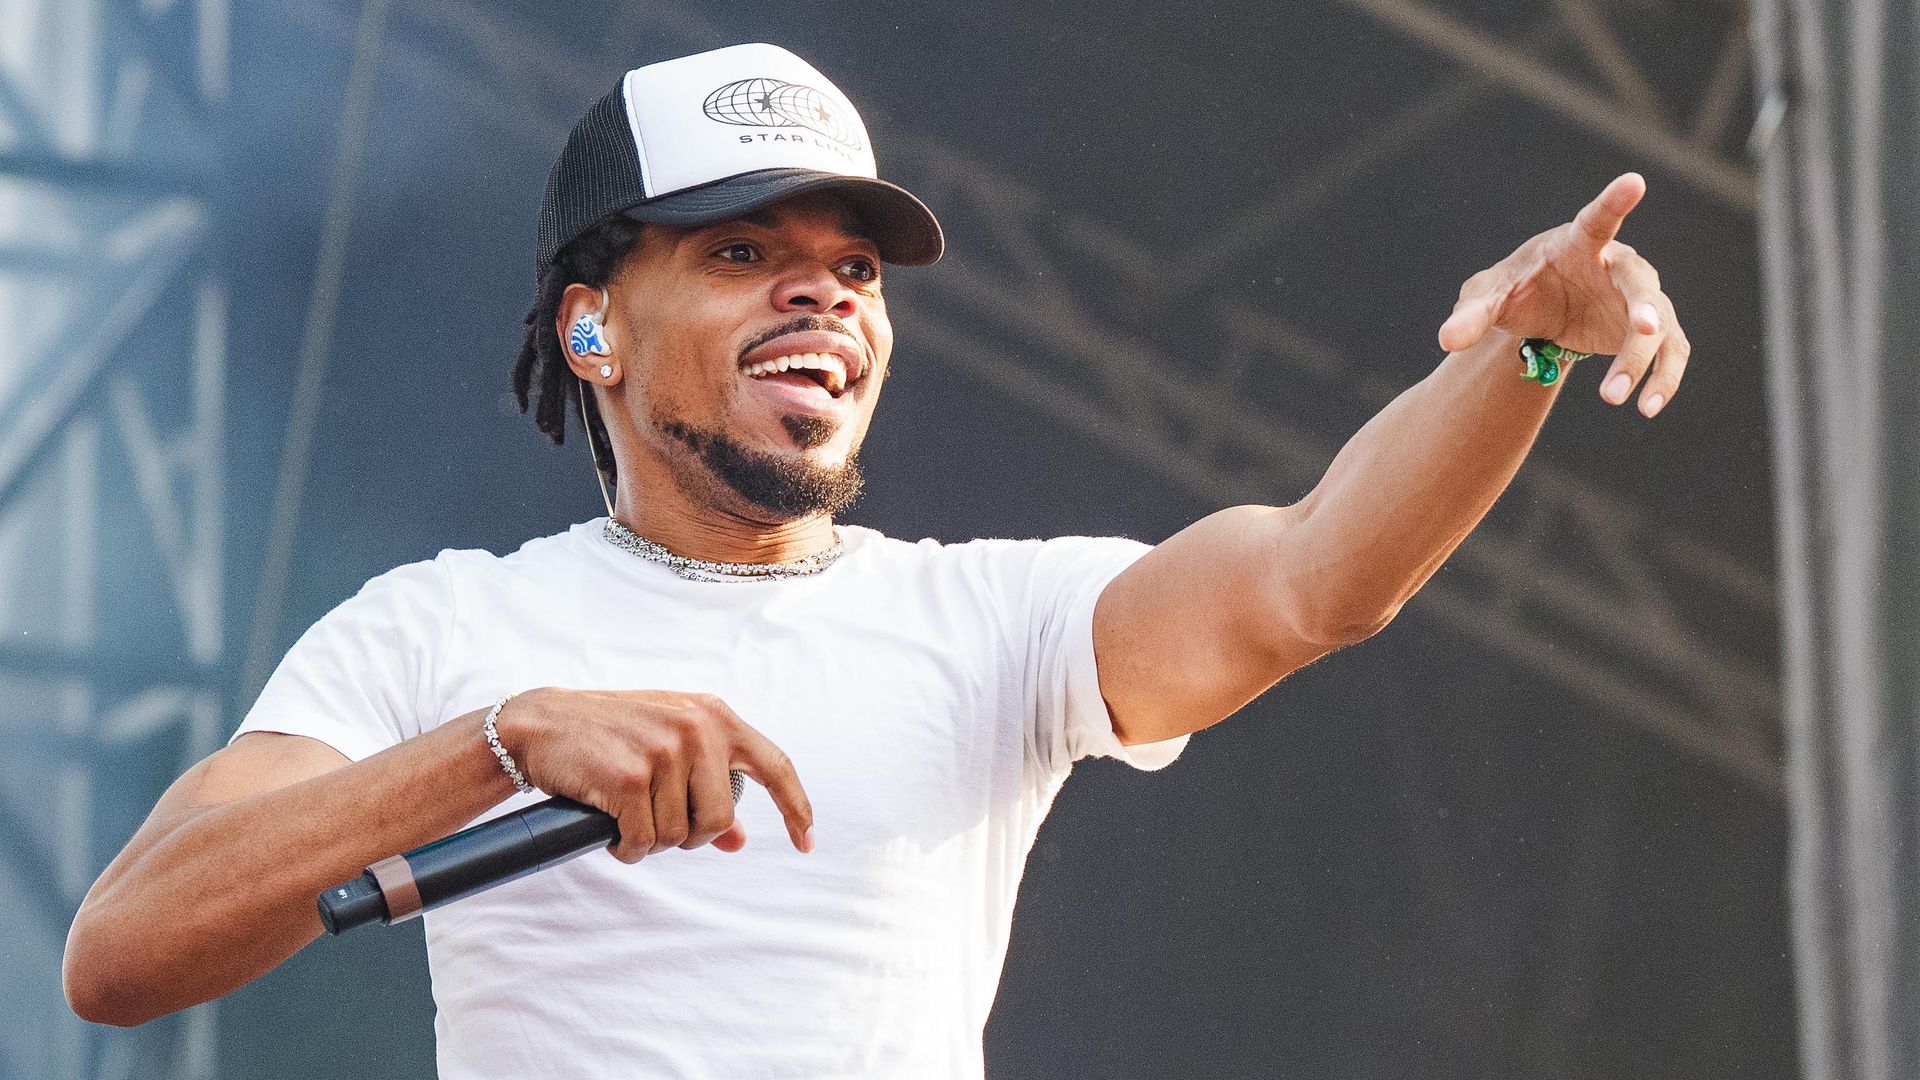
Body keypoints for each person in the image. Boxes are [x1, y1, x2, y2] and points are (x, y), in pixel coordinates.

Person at [62, 42, 1690, 1078]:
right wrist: (495, 745)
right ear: (591, 323)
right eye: (744, 251)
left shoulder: (994, 618)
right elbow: (124, 955)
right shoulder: (439, 629)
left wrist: (1521, 357)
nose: (822, 296)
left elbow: (1319, 581)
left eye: (854, 267)